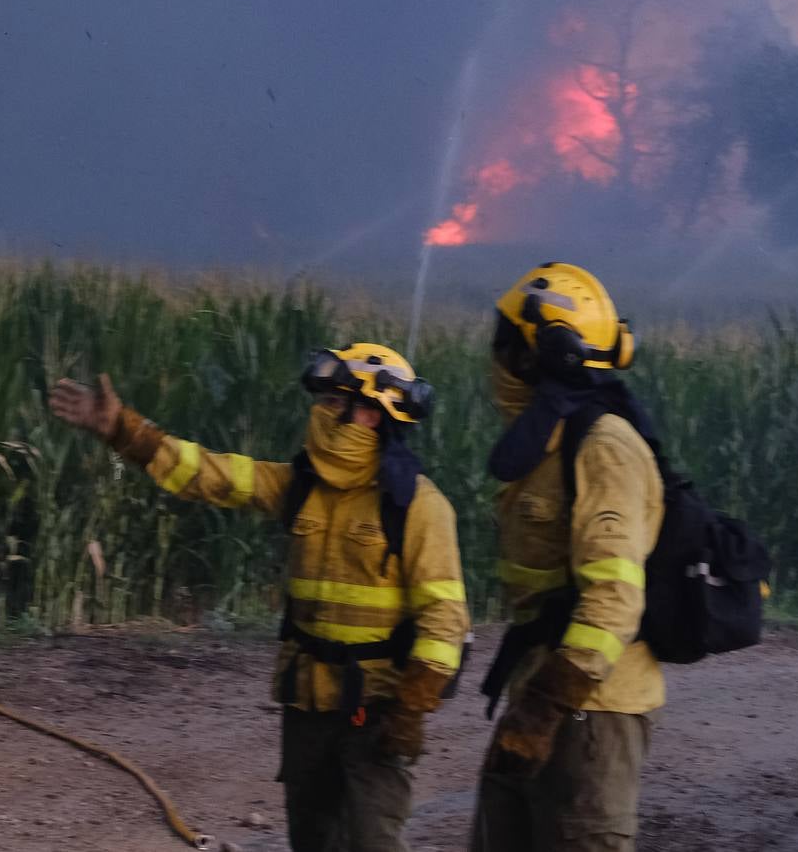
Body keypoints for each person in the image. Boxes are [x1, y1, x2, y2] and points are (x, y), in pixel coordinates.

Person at [49, 343, 469, 852]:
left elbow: (445, 619)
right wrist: (126, 432)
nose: (333, 416)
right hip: (307, 702)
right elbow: (212, 474)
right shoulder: (298, 484)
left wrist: (411, 711)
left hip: (376, 710)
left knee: (373, 841)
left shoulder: (418, 507)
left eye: (349, 407)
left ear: (381, 420)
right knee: (312, 839)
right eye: (329, 402)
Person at [472, 262, 665, 852]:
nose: (498, 357)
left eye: (509, 343)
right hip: (543, 696)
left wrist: (547, 705)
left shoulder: (603, 449)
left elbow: (614, 598)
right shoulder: (552, 442)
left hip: (588, 710)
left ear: (544, 355)